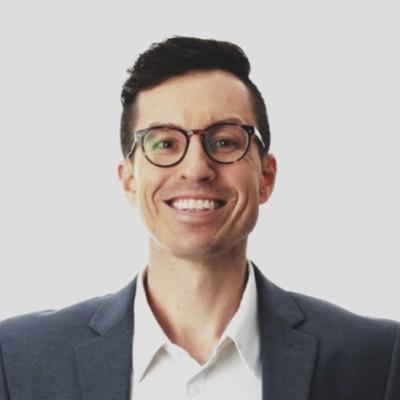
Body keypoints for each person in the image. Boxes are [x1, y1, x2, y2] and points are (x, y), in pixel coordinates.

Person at [0, 36, 399, 400]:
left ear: (265, 177)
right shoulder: (18, 360)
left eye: (224, 141)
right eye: (165, 143)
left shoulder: (376, 360)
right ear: (129, 181)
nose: (196, 169)